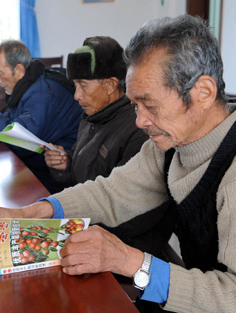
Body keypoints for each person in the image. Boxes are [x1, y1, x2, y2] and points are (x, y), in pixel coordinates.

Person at [0, 14, 236, 313]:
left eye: (150, 105)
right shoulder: (172, 143)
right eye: (134, 105)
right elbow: (112, 192)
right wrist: (27, 213)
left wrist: (129, 261)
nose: (140, 120)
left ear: (204, 92)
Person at [44, 36, 172, 256]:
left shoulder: (139, 128)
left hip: (126, 245)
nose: (76, 96)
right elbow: (82, 176)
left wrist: (73, 228)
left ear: (111, 84)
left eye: (83, 86)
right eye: (75, 86)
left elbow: (131, 213)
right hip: (89, 224)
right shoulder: (90, 117)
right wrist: (65, 165)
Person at [0, 40, 83, 194]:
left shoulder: (42, 95)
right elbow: (11, 122)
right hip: (39, 165)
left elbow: (22, 140)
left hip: (58, 175)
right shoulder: (27, 86)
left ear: (18, 70)